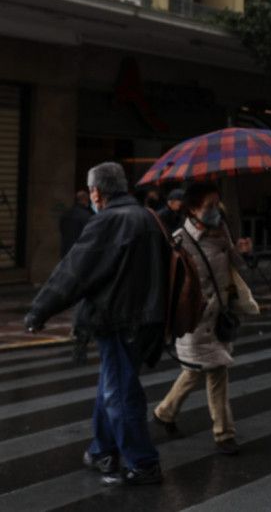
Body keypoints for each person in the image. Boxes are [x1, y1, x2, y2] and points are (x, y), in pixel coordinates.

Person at [25, 162, 166, 486]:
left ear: (96, 192)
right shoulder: (146, 216)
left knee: (120, 392)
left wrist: (39, 311)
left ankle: (143, 462)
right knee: (113, 384)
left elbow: (74, 271)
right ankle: (103, 449)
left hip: (117, 319)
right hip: (145, 318)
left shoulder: (109, 221)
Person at [152, 182, 257, 456]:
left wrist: (244, 251)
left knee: (196, 370)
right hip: (196, 319)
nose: (214, 210)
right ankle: (224, 434)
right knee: (217, 372)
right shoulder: (179, 242)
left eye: (217, 204)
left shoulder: (221, 231)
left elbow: (238, 265)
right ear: (193, 208)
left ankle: (165, 412)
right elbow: (170, 286)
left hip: (220, 314)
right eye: (209, 206)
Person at [59, 190, 94, 257]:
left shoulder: (66, 214)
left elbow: (61, 229)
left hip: (65, 251)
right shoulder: (87, 216)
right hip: (80, 253)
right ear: (86, 200)